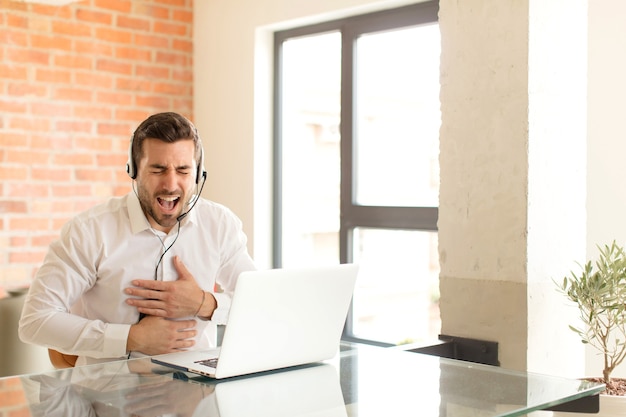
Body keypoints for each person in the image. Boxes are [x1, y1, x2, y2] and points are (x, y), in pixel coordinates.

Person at [19, 112, 256, 366]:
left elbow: (258, 305)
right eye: (158, 169)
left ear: (198, 174)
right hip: (108, 397)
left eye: (183, 170)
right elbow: (35, 320)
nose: (171, 184)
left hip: (197, 396)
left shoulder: (219, 224)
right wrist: (130, 338)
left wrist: (204, 303)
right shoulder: (89, 231)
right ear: (133, 170)